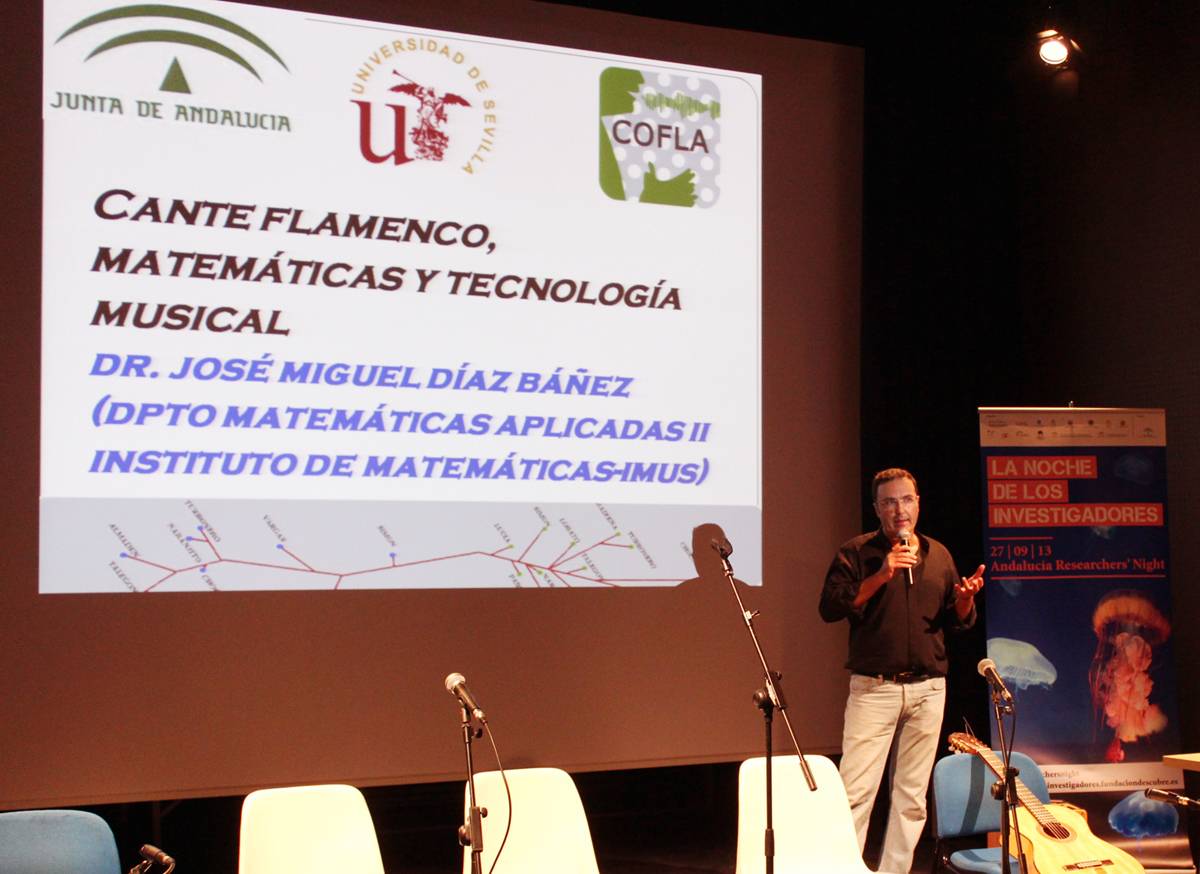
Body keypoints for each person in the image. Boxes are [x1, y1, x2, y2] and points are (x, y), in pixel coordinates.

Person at [819, 468, 984, 873]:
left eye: (906, 500)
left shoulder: (939, 554)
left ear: (918, 503)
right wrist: (883, 573)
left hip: (929, 690)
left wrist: (964, 600)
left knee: (911, 798)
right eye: (890, 502)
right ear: (876, 508)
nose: (900, 510)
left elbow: (956, 620)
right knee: (856, 792)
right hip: (876, 689)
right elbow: (830, 607)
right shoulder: (856, 553)